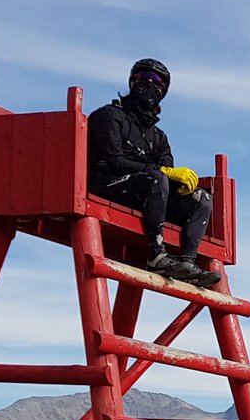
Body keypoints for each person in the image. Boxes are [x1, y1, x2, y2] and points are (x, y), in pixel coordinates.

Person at [87, 58, 219, 287]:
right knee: (157, 178)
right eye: (142, 78)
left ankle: (186, 262)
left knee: (201, 197)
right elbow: (114, 161)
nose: (148, 84)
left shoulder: (158, 137)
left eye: (156, 80)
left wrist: (182, 182)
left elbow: (168, 175)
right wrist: (164, 171)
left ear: (162, 90)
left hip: (147, 195)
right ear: (132, 82)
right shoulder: (108, 116)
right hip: (106, 187)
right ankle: (158, 255)